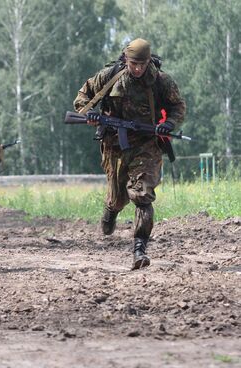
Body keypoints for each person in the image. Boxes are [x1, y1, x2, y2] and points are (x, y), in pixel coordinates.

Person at [73, 38, 185, 270]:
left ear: (148, 62)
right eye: (133, 63)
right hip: (115, 145)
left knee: (142, 195)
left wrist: (170, 123)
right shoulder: (109, 76)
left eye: (142, 64)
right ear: (126, 59)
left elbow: (178, 106)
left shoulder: (161, 81)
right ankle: (111, 209)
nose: (137, 68)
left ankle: (139, 248)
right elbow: (81, 98)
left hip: (147, 144)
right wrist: (92, 113)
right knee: (118, 197)